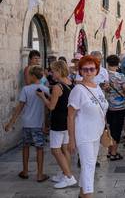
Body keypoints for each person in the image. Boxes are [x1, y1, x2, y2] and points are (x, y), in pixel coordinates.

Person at [67, 55, 109, 198]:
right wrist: (71, 139)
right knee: (89, 166)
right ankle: (88, 195)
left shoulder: (97, 88)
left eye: (92, 69)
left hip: (96, 133)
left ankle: (81, 194)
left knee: (88, 166)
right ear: (80, 71)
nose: (89, 72)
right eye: (85, 69)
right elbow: (71, 116)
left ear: (97, 70)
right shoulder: (78, 90)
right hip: (83, 134)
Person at [5, 65, 50, 182]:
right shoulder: (45, 89)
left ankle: (25, 171)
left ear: (33, 76)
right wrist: (46, 124)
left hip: (26, 123)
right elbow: (49, 105)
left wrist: (11, 122)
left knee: (26, 147)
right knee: (39, 148)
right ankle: (40, 174)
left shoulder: (26, 89)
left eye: (29, 75)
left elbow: (20, 107)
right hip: (38, 124)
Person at [37, 60, 77, 188]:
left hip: (58, 122)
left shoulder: (57, 87)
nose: (51, 73)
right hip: (68, 121)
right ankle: (64, 174)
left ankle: (69, 176)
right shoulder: (71, 84)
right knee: (64, 149)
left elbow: (51, 106)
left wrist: (42, 97)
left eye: (53, 70)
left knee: (55, 150)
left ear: (59, 71)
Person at [105, 55, 125, 161]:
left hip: (107, 107)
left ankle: (110, 150)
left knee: (109, 129)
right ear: (118, 64)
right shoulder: (120, 76)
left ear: (107, 63)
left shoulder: (104, 75)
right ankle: (114, 153)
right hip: (119, 108)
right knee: (117, 130)